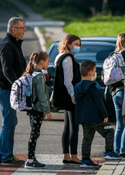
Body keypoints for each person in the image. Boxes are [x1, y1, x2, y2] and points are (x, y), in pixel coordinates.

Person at [0, 17, 27, 166]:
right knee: (10, 120)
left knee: (8, 121)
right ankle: (6, 156)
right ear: (14, 30)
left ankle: (1, 156)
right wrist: (18, 85)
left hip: (8, 88)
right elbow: (7, 70)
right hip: (4, 89)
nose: (24, 31)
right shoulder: (6, 45)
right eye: (22, 28)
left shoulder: (14, 43)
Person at [75, 61, 122, 168]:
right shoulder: (93, 86)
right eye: (94, 71)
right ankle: (109, 152)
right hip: (96, 117)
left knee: (87, 138)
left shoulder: (77, 86)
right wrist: (105, 115)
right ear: (91, 72)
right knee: (109, 131)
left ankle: (85, 160)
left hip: (84, 118)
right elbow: (99, 103)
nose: (95, 73)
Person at [53, 34, 82, 164]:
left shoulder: (59, 56)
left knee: (67, 126)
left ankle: (66, 155)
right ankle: (74, 156)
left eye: (79, 45)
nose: (78, 47)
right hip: (69, 96)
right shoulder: (68, 58)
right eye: (76, 44)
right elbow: (68, 80)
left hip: (63, 96)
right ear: (68, 44)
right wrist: (73, 95)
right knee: (74, 127)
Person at [22, 52, 52, 169]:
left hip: (32, 108)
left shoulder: (32, 74)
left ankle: (31, 159)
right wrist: (47, 110)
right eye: (47, 61)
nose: (48, 64)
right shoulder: (39, 76)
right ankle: (30, 160)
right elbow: (42, 96)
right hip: (37, 109)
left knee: (34, 133)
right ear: (42, 62)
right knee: (34, 134)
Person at [109, 33, 125, 157]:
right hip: (124, 92)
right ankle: (123, 150)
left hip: (115, 93)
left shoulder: (114, 55)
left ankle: (116, 150)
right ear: (123, 43)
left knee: (119, 124)